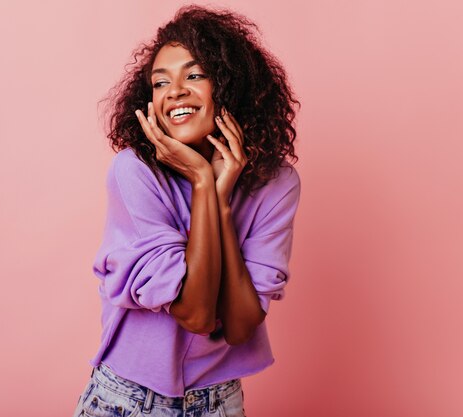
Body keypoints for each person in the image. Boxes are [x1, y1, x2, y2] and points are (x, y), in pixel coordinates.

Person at [73, 5, 301, 417]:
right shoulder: (134, 171)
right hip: (126, 401)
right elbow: (195, 313)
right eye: (161, 82)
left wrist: (221, 203)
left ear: (232, 86)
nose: (174, 91)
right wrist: (202, 183)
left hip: (220, 402)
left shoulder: (276, 182)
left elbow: (240, 325)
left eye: (194, 75)